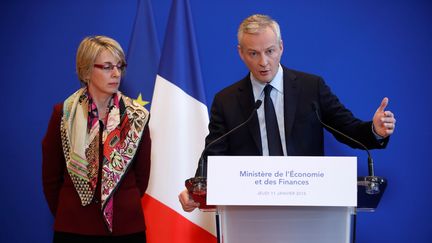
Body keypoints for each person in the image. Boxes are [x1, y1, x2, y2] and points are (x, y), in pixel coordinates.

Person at [178, 14, 396, 212]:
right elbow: (213, 154)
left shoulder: (312, 88)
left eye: (270, 51)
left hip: (308, 205)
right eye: (253, 53)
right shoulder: (226, 100)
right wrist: (196, 189)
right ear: (241, 53)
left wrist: (374, 131)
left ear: (281, 47)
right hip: (249, 211)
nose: (263, 62)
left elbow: (347, 129)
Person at [42, 35, 151, 242]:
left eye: (119, 66)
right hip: (74, 227)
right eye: (107, 67)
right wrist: (71, 213)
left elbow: (141, 178)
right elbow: (50, 178)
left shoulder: (138, 117)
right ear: (86, 70)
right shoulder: (63, 114)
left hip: (126, 228)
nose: (116, 73)